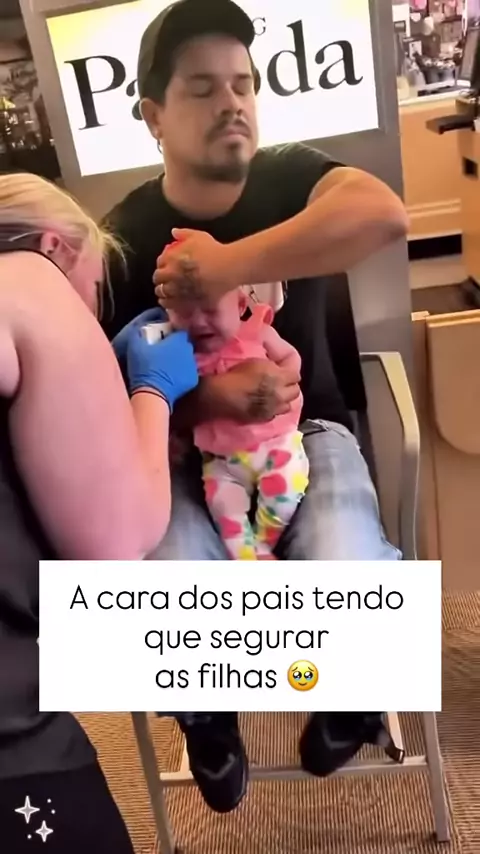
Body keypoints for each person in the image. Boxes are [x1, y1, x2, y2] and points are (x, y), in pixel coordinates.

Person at [101, 0, 408, 817]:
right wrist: (203, 398)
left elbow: (383, 214)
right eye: (203, 89)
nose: (232, 102)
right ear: (154, 116)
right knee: (171, 577)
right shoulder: (123, 237)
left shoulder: (291, 176)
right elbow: (107, 397)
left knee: (348, 563)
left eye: (242, 84)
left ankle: (349, 698)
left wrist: (223, 265)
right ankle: (207, 718)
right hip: (185, 451)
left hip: (309, 434)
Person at [0, 171, 198, 853]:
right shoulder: (29, 280)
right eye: (93, 290)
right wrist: (153, 391)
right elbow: (118, 539)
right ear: (55, 247)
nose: (91, 313)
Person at [166, 279, 309, 560]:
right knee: (224, 507)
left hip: (276, 443)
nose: (199, 322)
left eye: (210, 309)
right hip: (221, 460)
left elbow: (290, 355)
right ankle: (245, 556)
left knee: (285, 487)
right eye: (184, 313)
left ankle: (263, 542)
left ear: (241, 305)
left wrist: (286, 375)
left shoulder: (258, 332)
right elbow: (170, 396)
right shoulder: (180, 353)